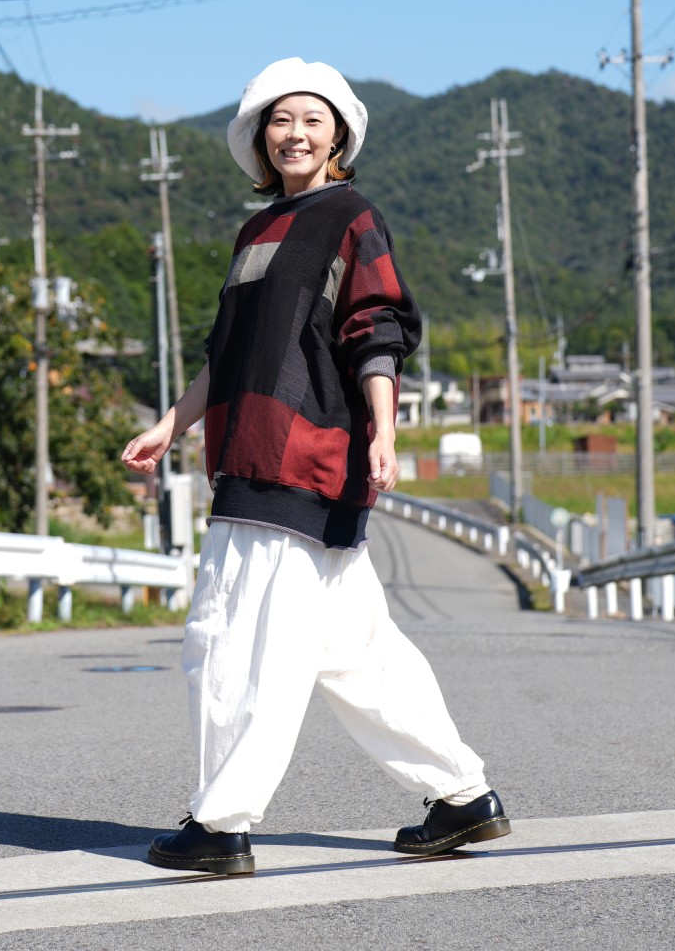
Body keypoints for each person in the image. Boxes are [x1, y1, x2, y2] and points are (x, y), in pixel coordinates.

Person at [121, 57, 510, 876]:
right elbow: (227, 355)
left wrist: (385, 430)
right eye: (280, 119)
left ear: (339, 137)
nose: (294, 134)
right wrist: (170, 424)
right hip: (262, 453)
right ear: (260, 136)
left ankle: (221, 822)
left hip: (291, 460)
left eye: (312, 120)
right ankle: (461, 796)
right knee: (359, 654)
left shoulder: (349, 216)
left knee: (232, 639)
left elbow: (377, 329)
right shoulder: (257, 231)